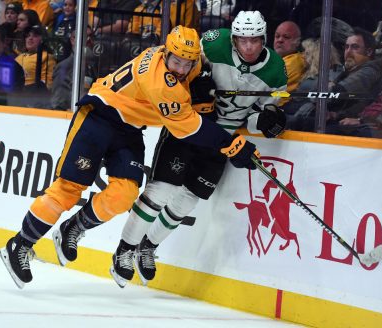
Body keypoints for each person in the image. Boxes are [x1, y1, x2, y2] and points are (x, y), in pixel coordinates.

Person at [0, 25, 262, 289]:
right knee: (68, 189)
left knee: (124, 193)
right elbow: (188, 127)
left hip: (130, 128)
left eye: (187, 63)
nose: (181, 69)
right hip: (98, 117)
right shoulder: (159, 81)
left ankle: (74, 227)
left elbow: (197, 70)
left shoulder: (182, 58)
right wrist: (231, 144)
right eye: (177, 62)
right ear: (166, 54)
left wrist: (201, 81)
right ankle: (20, 244)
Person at [110, 11, 288, 288]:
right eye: (243, 40)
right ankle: (124, 249)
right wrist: (194, 84)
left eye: (255, 40)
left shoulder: (276, 69)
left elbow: (260, 113)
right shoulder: (215, 42)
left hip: (223, 138)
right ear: (234, 39)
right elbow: (181, 64)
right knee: (162, 189)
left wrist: (266, 121)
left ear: (263, 39)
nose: (249, 47)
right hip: (190, 123)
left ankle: (147, 246)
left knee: (187, 200)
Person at [325, 27, 382, 136]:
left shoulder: (369, 71)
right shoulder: (350, 70)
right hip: (341, 120)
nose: (348, 52)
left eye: (355, 47)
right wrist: (335, 114)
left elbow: (336, 93)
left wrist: (330, 87)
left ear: (369, 51)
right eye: (346, 47)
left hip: (354, 128)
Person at [284, 38, 342, 132]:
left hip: (303, 119)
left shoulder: (320, 80)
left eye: (306, 53)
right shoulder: (322, 75)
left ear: (315, 56)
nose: (303, 56)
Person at [273, 21, 304, 101]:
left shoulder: (294, 61)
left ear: (297, 42)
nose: (280, 40)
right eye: (277, 36)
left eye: (286, 37)